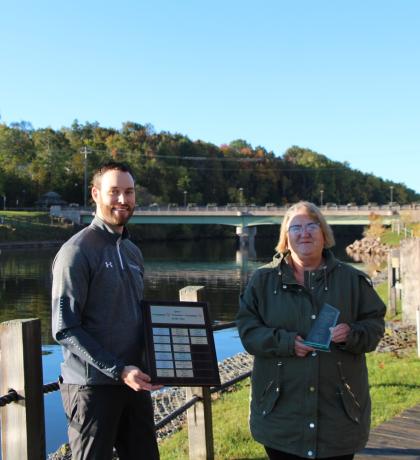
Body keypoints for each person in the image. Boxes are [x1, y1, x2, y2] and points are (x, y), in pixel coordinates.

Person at [236, 201, 386, 460]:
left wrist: (351, 334)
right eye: (296, 228)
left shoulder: (352, 280)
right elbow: (248, 331)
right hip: (281, 417)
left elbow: (374, 326)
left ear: (323, 232)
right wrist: (285, 342)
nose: (304, 233)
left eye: (311, 226)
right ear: (286, 237)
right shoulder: (262, 281)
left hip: (339, 418)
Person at [52, 161, 160, 460]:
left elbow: (136, 317)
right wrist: (118, 369)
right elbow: (65, 327)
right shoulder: (77, 251)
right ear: (96, 194)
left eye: (129, 192)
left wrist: (157, 362)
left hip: (134, 382)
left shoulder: (132, 251)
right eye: (114, 192)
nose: (123, 200)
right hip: (92, 388)